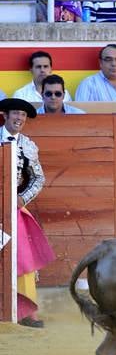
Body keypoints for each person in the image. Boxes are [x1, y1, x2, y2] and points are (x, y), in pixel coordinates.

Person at [0, 98, 56, 328]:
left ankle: (26, 312)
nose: (19, 119)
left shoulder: (28, 145)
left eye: (23, 116)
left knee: (23, 257)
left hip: (13, 208)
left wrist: (23, 198)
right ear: (5, 115)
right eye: (16, 114)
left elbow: (38, 178)